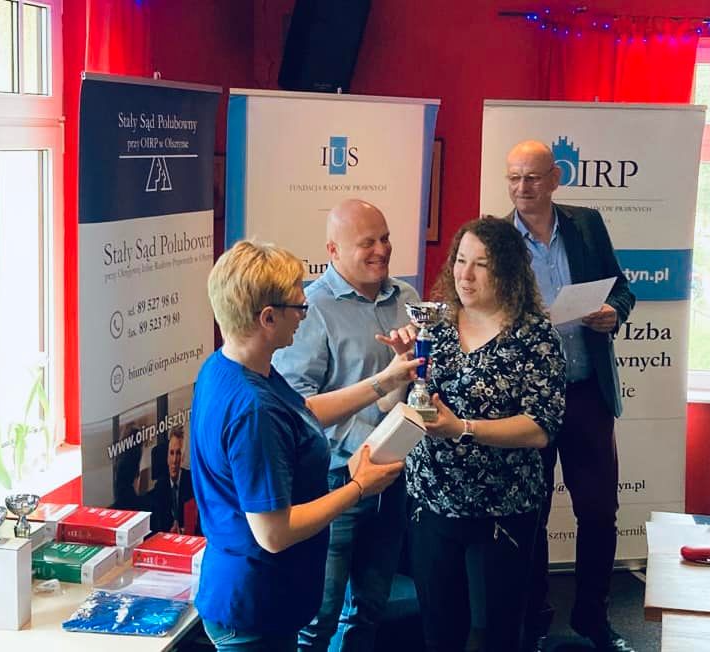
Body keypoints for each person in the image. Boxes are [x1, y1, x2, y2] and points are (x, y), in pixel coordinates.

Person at [191, 240, 421, 651]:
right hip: (255, 610)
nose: (304, 314)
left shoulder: (229, 367)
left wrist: (384, 380)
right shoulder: (253, 410)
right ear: (267, 317)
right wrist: (359, 487)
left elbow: (302, 412)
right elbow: (273, 532)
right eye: (298, 307)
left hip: (255, 596)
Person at [399, 217, 567, 652]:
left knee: (498, 631)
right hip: (432, 499)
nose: (465, 275)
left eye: (482, 265)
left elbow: (541, 428)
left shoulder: (536, 337)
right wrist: (398, 372)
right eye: (460, 261)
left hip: (504, 505)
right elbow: (396, 407)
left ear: (507, 271)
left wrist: (462, 429)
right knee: (439, 631)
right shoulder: (433, 328)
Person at [504, 140, 636, 652]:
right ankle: (533, 621)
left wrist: (614, 314)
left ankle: (593, 619)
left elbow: (622, 289)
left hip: (586, 395)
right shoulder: (499, 241)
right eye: (513, 178)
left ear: (555, 179)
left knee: (599, 512)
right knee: (530, 515)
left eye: (532, 177)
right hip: (528, 402)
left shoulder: (586, 225)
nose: (521, 188)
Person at [273, 198, 421, 652]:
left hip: (393, 478)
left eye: (385, 238)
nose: (382, 250)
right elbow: (296, 409)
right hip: (333, 481)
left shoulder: (409, 300)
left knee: (370, 609)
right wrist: (380, 392)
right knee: (317, 617)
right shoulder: (310, 310)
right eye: (367, 243)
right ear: (333, 251)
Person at [148, 426, 195, 534]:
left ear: (183, 457)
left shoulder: (191, 483)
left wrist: (182, 531)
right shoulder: (160, 487)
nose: (174, 460)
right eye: (171, 453)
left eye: (178, 453)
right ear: (167, 457)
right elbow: (158, 526)